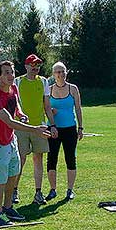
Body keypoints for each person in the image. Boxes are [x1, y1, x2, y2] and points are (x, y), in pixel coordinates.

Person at [0, 61, 50, 226]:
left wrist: (21, 114)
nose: (10, 76)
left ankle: (8, 207)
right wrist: (34, 129)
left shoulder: (13, 88)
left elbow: (16, 107)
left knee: (13, 174)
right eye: (6, 72)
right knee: (0, 179)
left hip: (11, 139)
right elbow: (9, 121)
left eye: (12, 72)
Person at [12, 54, 58, 205]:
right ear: (26, 66)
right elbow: (14, 104)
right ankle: (14, 190)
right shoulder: (17, 81)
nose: (35, 68)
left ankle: (38, 193)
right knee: (21, 159)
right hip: (22, 127)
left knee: (38, 159)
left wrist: (52, 125)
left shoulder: (44, 81)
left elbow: (46, 105)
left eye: (37, 65)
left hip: (40, 126)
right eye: (32, 65)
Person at [46, 61, 83, 201]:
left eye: (62, 71)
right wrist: (50, 113)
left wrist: (80, 127)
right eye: (57, 72)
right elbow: (45, 109)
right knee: (52, 159)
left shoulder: (73, 89)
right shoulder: (48, 90)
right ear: (53, 74)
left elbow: (78, 109)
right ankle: (52, 189)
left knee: (70, 158)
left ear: (66, 73)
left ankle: (70, 190)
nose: (60, 74)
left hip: (70, 129)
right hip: (53, 129)